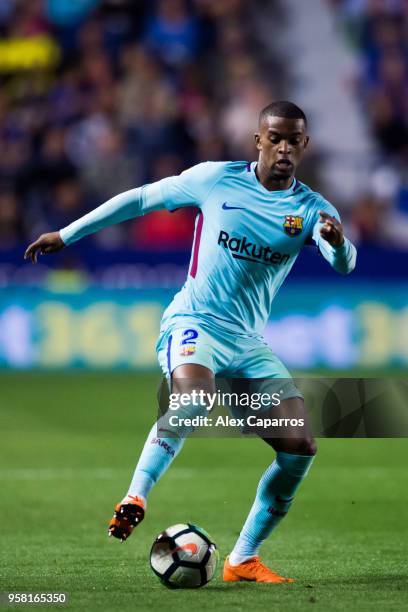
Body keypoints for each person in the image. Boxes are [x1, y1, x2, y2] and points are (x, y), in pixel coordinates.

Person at [25, 101, 357, 584]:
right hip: (194, 323)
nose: (284, 148)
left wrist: (337, 240)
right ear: (258, 140)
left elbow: (342, 262)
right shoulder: (214, 180)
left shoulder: (311, 208)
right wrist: (67, 234)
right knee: (195, 399)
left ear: (304, 146)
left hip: (246, 343)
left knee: (300, 448)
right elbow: (141, 199)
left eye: (294, 140)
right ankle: (136, 495)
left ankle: (242, 559)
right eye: (275, 138)